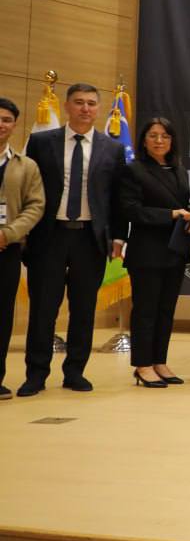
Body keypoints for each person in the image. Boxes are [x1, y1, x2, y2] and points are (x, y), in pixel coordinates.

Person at [20, 83, 127, 397]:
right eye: (79, 102)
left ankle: (75, 371)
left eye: (91, 103)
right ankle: (36, 374)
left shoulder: (112, 148)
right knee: (43, 309)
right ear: (67, 106)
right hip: (48, 236)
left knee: (84, 310)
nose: (85, 109)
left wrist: (119, 237)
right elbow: (27, 187)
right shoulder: (42, 142)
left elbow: (117, 199)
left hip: (90, 239)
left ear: (99, 109)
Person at [120, 117, 190, 389]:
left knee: (166, 310)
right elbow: (130, 210)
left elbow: (184, 203)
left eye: (165, 136)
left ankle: (159, 361)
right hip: (146, 251)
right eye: (153, 135)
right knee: (146, 310)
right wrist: (171, 214)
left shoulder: (178, 169)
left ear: (172, 140)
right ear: (144, 140)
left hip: (175, 250)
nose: (159, 140)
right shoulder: (134, 170)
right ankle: (142, 365)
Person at [0, 98, 44, 399]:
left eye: (6, 119)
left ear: (14, 125)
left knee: (2, 316)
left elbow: (35, 205)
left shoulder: (25, 166)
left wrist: (9, 234)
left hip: (7, 249)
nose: (1, 124)